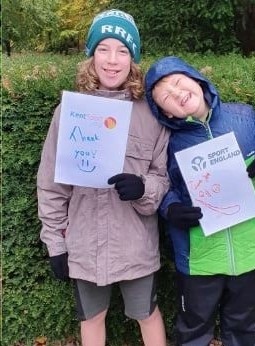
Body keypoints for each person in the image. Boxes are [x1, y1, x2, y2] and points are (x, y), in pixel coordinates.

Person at [37, 9, 169, 346]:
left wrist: (143, 188)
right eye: (103, 49)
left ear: (133, 58)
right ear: (91, 55)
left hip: (135, 245)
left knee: (147, 314)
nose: (112, 60)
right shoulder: (69, 111)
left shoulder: (150, 114)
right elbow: (51, 182)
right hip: (84, 244)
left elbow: (163, 177)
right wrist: (55, 242)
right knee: (92, 318)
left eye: (122, 51)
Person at [145, 56, 255, 346]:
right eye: (165, 97)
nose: (177, 93)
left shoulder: (244, 117)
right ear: (166, 113)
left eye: (178, 81)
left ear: (196, 79)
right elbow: (161, 184)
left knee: (244, 330)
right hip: (199, 256)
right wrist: (171, 208)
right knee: (193, 331)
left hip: (250, 250)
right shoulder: (168, 140)